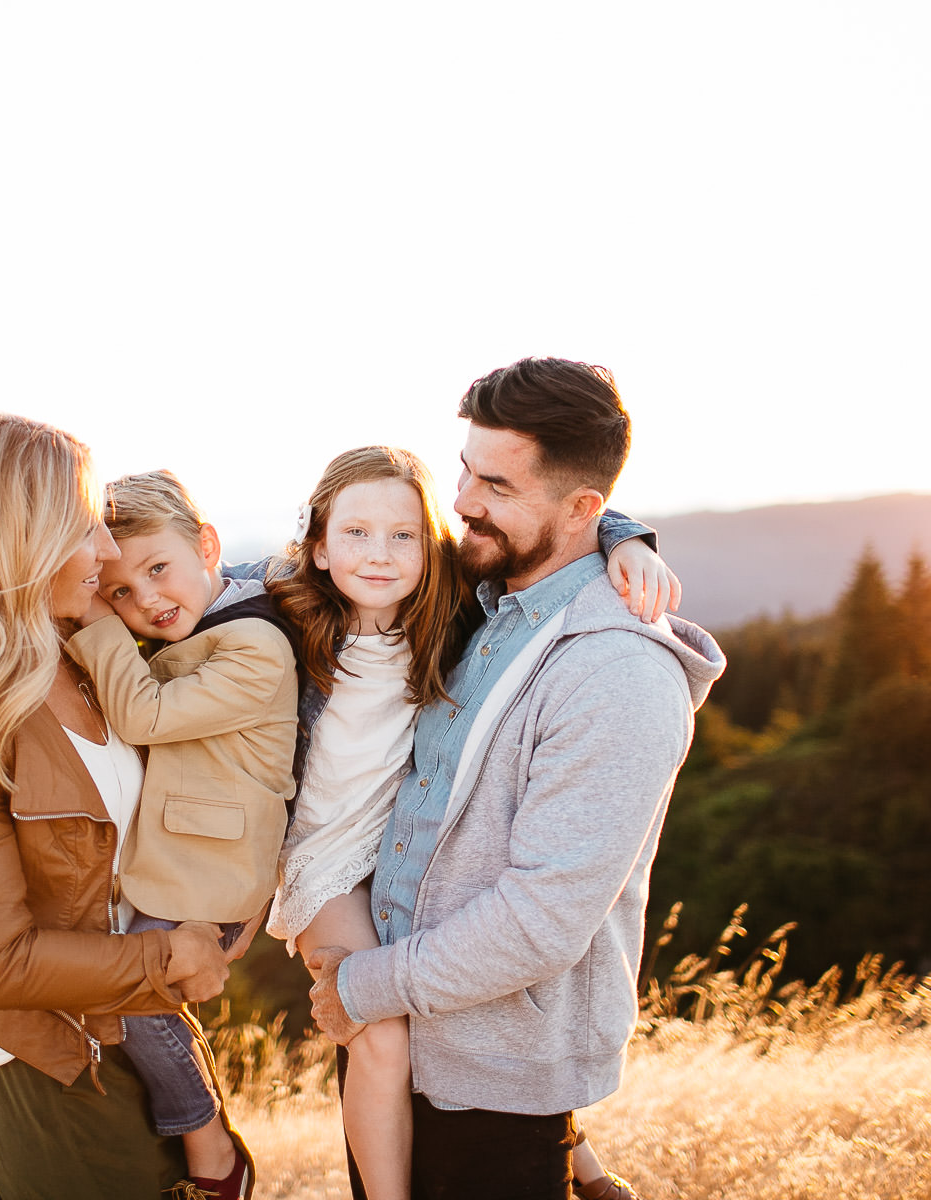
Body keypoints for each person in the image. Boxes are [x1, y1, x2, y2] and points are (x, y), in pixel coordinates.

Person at [306, 357, 726, 1200]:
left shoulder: (617, 676)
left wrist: (362, 985)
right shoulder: (485, 597)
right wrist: (623, 534)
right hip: (408, 1046)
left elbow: (542, 919)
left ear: (580, 509)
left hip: (493, 1084)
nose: (461, 501)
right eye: (465, 469)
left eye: (494, 483)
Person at [243, 446, 671, 1200]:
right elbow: (182, 582)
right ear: (317, 544)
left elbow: (550, 527)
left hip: (402, 850)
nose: (380, 554)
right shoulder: (280, 617)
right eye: (355, 534)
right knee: (378, 1033)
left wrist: (623, 536)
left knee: (476, 1022)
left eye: (403, 535)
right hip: (323, 860)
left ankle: (581, 1160)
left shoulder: (443, 606)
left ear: (428, 541)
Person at [0, 413, 241, 1200]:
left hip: (148, 1029)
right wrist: (171, 959)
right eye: (84, 530)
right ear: (14, 543)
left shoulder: (86, 650)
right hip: (53, 1067)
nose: (107, 554)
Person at [65, 469, 301, 1200]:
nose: (147, 602)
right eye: (121, 593)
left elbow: (145, 718)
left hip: (215, 874)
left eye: (158, 569)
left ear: (207, 545)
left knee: (133, 1001)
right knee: (141, 1001)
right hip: (184, 867)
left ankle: (210, 1149)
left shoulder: (255, 644)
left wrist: (96, 625)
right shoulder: (204, 629)